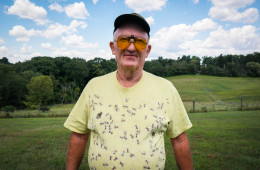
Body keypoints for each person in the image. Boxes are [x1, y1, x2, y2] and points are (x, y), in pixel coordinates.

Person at [64, 13, 193, 170]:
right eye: (123, 40)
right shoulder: (93, 87)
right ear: (113, 47)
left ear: (147, 50)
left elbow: (179, 140)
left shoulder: (166, 89)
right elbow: (78, 136)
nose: (131, 47)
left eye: (139, 42)